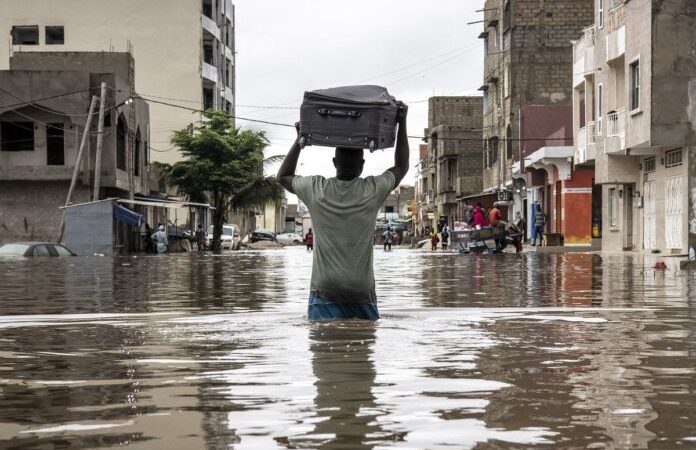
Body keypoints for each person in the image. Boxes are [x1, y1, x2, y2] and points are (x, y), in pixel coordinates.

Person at [277, 103, 409, 321]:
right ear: (362, 165)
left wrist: (299, 139)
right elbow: (402, 166)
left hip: (325, 289)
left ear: (334, 162)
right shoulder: (373, 190)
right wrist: (402, 123)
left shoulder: (316, 189)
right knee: (362, 349)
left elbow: (283, 176)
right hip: (361, 290)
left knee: (325, 350)